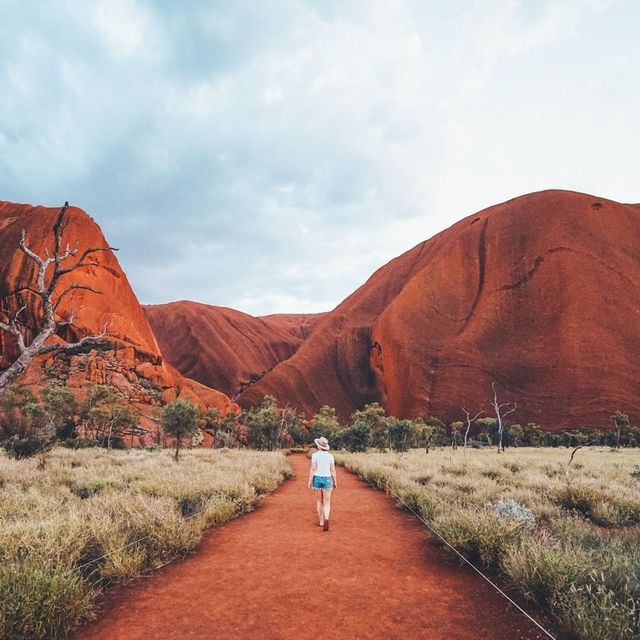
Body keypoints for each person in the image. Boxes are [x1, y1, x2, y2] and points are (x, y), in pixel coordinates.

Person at [308, 436, 337, 531]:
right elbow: (332, 470)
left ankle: (321, 521)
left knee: (319, 501)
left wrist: (310, 481)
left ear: (318, 445)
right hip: (327, 479)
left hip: (317, 478)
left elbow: (313, 469)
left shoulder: (315, 455)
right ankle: (326, 518)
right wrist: (335, 481)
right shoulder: (330, 456)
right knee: (327, 502)